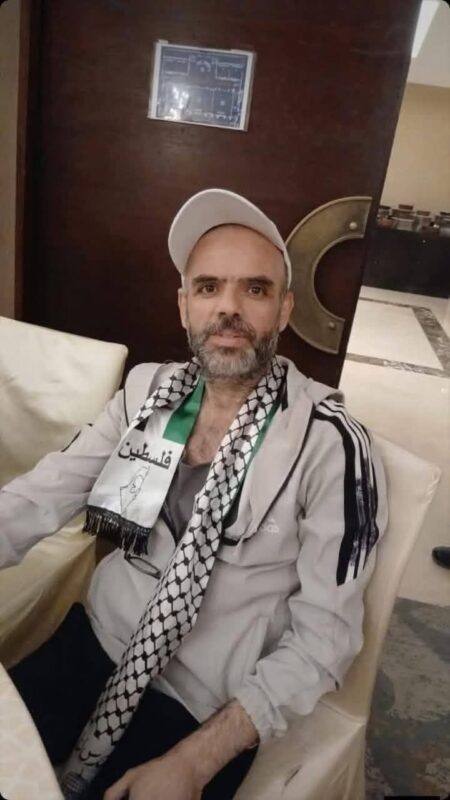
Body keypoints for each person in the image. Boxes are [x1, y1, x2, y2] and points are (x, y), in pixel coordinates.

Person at [0, 188, 387, 800]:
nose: (228, 308)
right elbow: (40, 495)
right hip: (95, 642)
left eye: (255, 289)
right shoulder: (145, 394)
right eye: (208, 287)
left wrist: (193, 762)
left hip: (203, 703)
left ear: (284, 309)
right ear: (184, 306)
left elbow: (325, 639)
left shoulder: (332, 446)